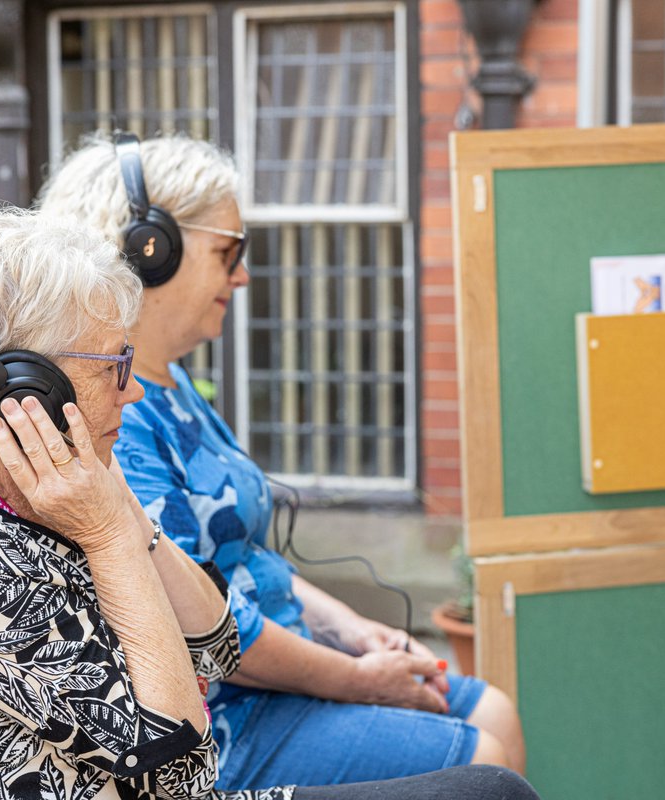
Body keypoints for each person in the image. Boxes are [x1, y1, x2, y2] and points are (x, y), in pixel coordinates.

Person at [0, 209, 539, 800]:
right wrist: (109, 536)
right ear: (24, 394)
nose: (132, 390)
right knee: (488, 790)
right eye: (114, 367)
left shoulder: (19, 500)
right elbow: (179, 770)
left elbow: (216, 644)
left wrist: (125, 518)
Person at [38, 133, 527, 792]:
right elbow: (200, 622)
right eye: (227, 251)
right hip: (232, 713)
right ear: (151, 250)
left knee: (497, 711)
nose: (242, 276)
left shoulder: (175, 387)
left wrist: (353, 629)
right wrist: (356, 679)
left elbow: (250, 562)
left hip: (288, 672)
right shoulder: (120, 419)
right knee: (483, 757)